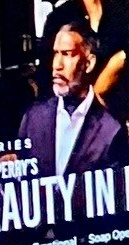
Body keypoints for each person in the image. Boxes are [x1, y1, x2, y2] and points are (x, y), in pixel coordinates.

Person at [14, 23, 115, 178]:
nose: (57, 65)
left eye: (67, 54)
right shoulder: (33, 118)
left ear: (89, 63)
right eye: (56, 54)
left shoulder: (111, 129)